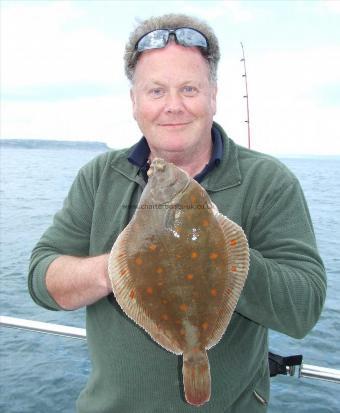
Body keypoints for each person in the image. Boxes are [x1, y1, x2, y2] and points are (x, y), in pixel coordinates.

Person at [28, 13, 326, 413]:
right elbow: (41, 278)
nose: (173, 106)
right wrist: (121, 266)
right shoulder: (99, 177)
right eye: (156, 91)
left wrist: (219, 254)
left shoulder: (268, 181)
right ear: (134, 103)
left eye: (189, 88)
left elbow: (303, 309)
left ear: (213, 96)